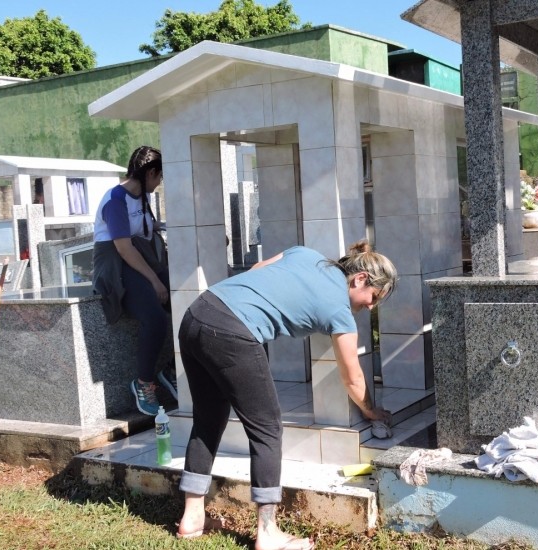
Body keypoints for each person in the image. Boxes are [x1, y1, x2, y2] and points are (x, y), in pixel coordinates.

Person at [176, 241, 397, 548]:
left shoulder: (306, 253)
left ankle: (193, 518)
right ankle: (267, 534)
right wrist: (372, 411)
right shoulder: (339, 310)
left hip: (197, 314)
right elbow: (353, 377)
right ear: (360, 279)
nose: (371, 306)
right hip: (231, 331)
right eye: (373, 298)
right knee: (267, 427)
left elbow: (256, 270)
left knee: (208, 419)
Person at [92, 145, 176, 416]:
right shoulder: (116, 199)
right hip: (117, 266)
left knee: (190, 301)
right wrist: (155, 281)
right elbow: (124, 248)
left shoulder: (141, 196)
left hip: (141, 260)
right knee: (155, 317)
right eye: (159, 176)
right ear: (150, 172)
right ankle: (143, 383)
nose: (160, 182)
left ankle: (175, 369)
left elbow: (149, 231)